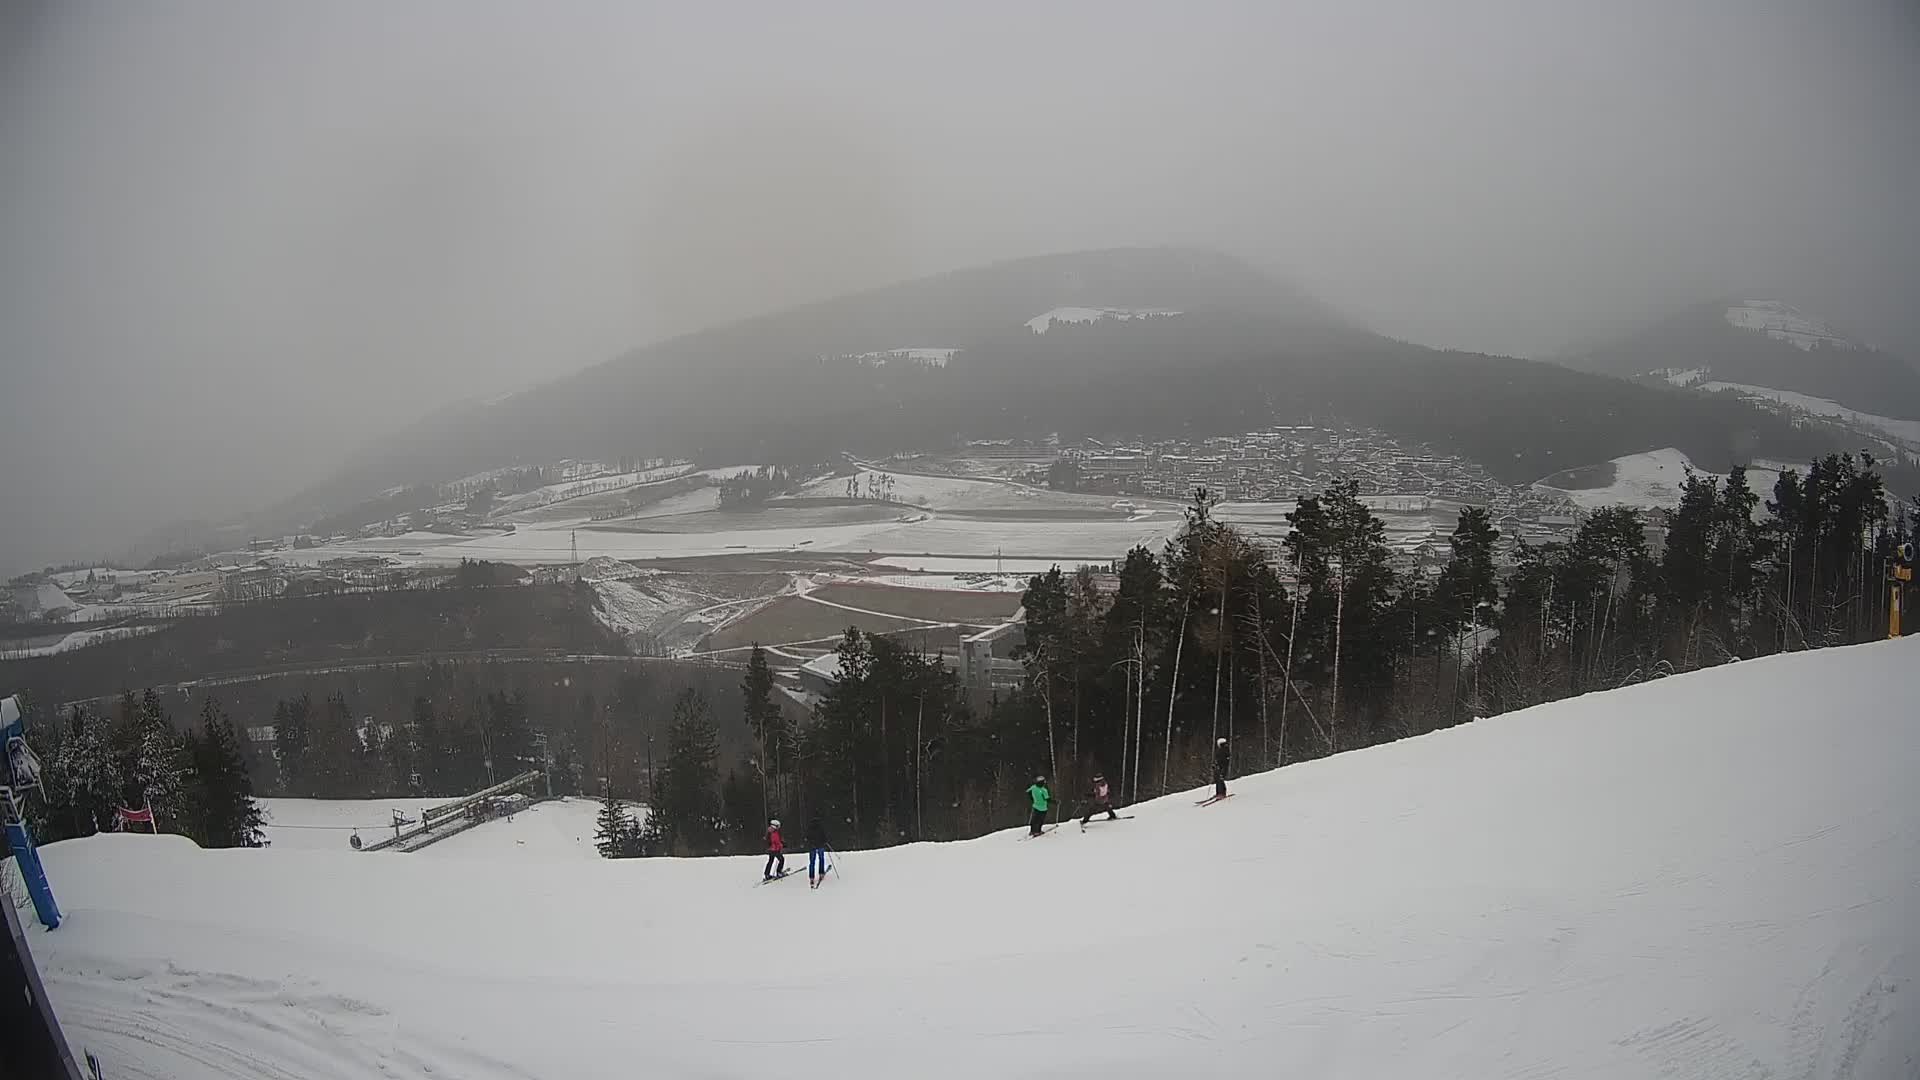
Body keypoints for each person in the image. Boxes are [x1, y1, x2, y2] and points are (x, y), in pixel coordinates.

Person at [804, 813, 830, 888]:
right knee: (821, 859)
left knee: (812, 862)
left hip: (812, 847)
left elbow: (807, 838)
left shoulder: (809, 828)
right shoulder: (820, 827)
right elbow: (824, 836)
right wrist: (825, 841)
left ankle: (811, 877)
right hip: (820, 846)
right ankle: (821, 873)